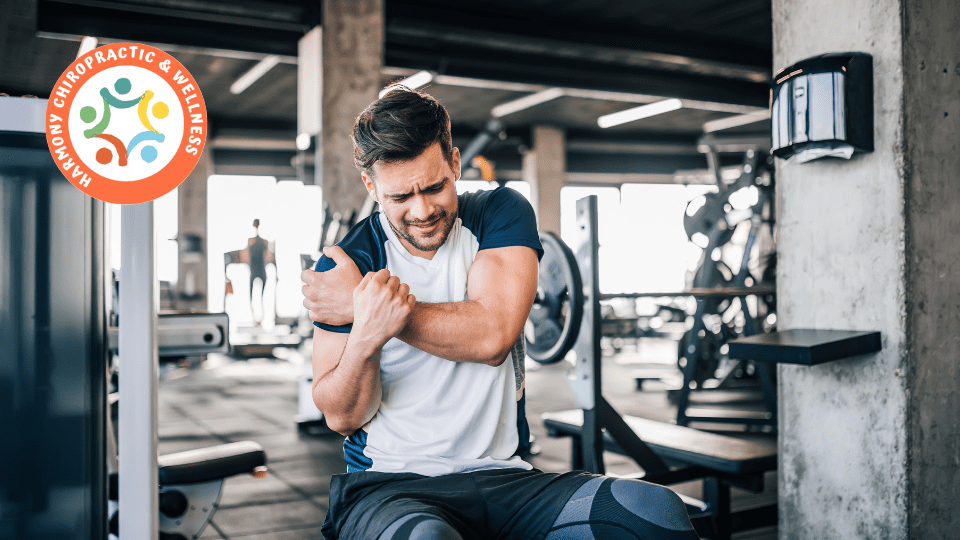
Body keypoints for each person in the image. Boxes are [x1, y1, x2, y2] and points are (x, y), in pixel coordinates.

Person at [300, 86, 699, 540]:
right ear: (371, 187)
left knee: (653, 512)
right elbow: (341, 416)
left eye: (434, 187)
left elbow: (492, 336)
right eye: (399, 198)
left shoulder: (499, 213)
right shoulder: (348, 263)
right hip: (391, 486)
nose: (423, 210)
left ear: (454, 162)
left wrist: (372, 309)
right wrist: (367, 333)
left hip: (508, 478)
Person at [246, 219, 274, 325]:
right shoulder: (251, 241)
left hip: (260, 270)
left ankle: (261, 318)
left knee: (262, 296)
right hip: (255, 270)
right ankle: (254, 317)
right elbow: (248, 257)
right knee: (252, 296)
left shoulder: (263, 242)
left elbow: (268, 257)